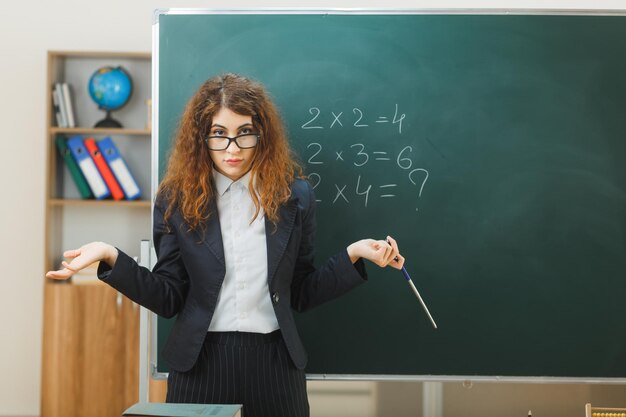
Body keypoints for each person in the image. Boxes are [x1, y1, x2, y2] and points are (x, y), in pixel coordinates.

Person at [46, 73, 405, 417]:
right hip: (200, 364)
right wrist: (111, 257)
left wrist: (353, 255)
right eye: (219, 134)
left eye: (244, 133)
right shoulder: (176, 199)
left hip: (276, 364)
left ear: (261, 134)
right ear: (201, 136)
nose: (232, 148)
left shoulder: (295, 197)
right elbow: (169, 296)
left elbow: (300, 291)